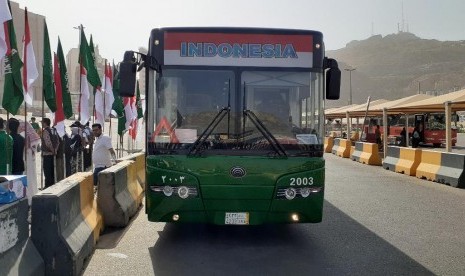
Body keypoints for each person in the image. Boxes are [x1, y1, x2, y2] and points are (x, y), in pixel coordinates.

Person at [41, 118, 57, 188]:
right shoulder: (53, 130)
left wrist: (52, 150)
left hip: (47, 153)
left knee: (47, 171)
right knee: (52, 170)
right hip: (53, 154)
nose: (41, 124)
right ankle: (52, 184)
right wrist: (55, 150)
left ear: (45, 123)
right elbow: (57, 141)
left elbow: (48, 142)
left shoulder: (45, 131)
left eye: (42, 122)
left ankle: (47, 186)